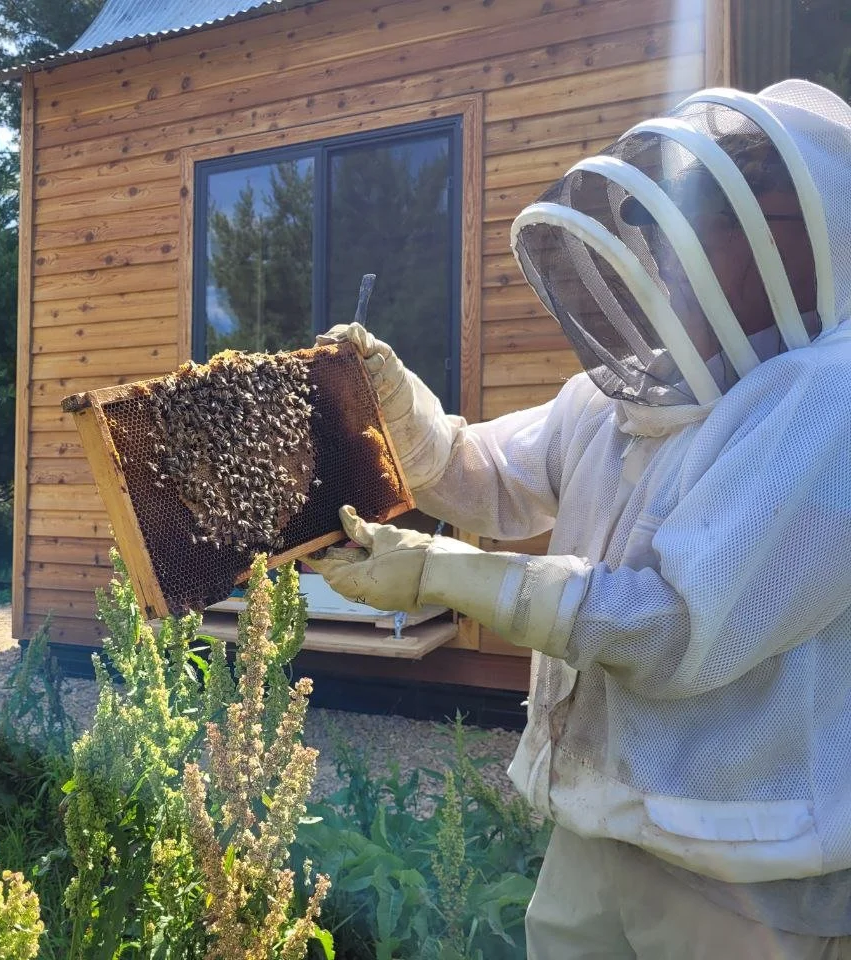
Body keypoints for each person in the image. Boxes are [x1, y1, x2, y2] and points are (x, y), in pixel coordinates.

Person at [307, 79, 851, 958]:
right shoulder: (619, 397)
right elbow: (481, 475)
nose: (680, 249)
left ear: (813, 241)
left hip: (756, 873)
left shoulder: (831, 401)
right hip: (595, 835)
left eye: (726, 221)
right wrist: (392, 404)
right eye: (679, 220)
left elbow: (674, 626)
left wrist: (446, 574)